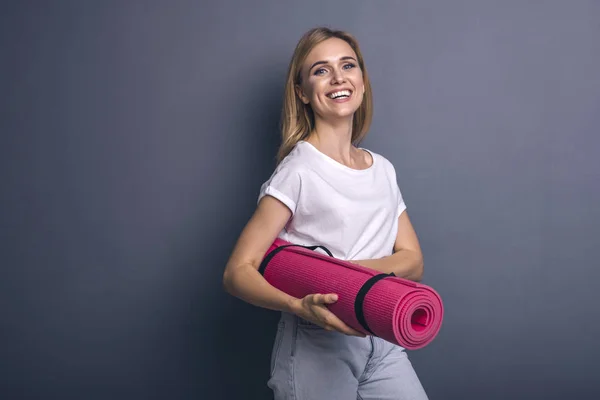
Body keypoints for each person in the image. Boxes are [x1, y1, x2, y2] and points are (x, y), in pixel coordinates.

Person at [222, 27, 429, 400]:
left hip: (380, 334)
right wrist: (298, 304)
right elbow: (237, 272)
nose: (337, 77)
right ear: (302, 92)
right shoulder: (298, 170)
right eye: (320, 70)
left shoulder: (382, 169)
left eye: (347, 65)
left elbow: (413, 260)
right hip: (317, 343)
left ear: (361, 82)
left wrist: (349, 281)